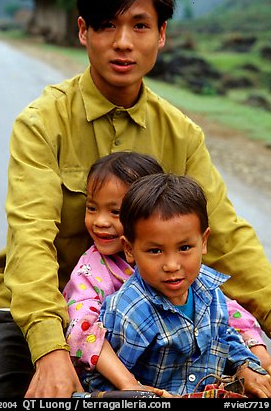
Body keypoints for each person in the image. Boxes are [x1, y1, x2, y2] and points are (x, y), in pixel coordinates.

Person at [0, 0, 271, 398]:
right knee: (5, 391)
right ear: (83, 31)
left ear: (161, 35)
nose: (123, 42)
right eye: (107, 25)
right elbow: (30, 238)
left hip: (156, 312)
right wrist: (50, 351)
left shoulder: (181, 135)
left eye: (140, 26)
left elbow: (224, 235)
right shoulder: (42, 123)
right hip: (42, 314)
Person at [82, 173, 271, 398]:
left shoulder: (209, 289)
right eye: (155, 251)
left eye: (185, 247)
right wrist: (138, 394)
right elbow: (100, 381)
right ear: (129, 249)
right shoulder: (131, 313)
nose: (171, 265)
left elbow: (224, 335)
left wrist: (246, 366)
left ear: (204, 241)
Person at [62, 151, 164, 392]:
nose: (100, 221)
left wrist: (258, 358)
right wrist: (129, 385)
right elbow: (80, 329)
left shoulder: (168, 257)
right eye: (92, 208)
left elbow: (218, 305)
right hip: (111, 385)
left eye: (115, 212)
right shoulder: (90, 270)